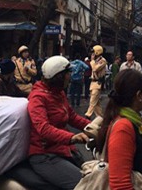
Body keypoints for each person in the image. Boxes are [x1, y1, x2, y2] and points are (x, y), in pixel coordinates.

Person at [27, 56, 90, 190]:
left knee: (92, 175)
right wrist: (72, 137)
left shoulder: (59, 93)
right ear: (59, 77)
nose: (70, 76)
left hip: (62, 150)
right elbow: (43, 129)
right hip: (45, 155)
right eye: (67, 73)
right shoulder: (38, 97)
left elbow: (72, 116)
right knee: (85, 186)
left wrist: (94, 127)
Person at [85, 45, 107, 119]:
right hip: (93, 82)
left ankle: (88, 115)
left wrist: (92, 61)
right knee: (96, 103)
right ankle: (100, 117)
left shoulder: (102, 61)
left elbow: (95, 69)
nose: (92, 54)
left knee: (92, 100)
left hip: (98, 83)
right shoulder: (95, 60)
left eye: (93, 52)